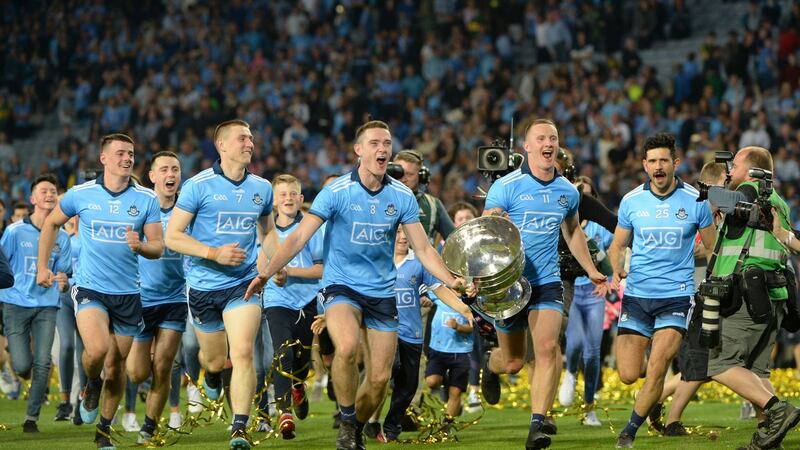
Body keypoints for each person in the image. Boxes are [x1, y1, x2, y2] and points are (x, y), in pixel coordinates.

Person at [244, 120, 475, 450]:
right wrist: (266, 272)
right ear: (358, 151)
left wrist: (452, 279)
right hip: (341, 287)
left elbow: (423, 248)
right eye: (375, 143)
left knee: (380, 379)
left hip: (382, 292)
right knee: (348, 347)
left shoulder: (401, 196)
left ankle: (352, 427)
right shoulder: (337, 191)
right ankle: (348, 417)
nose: (382, 149)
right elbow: (297, 237)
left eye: (387, 143)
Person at [480, 118, 606, 450]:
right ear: (527, 147)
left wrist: (590, 268)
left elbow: (573, 231)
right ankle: (490, 366)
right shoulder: (506, 187)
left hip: (547, 281)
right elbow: (487, 231)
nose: (548, 143)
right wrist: (496, 221)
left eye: (553, 137)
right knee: (514, 363)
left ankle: (537, 424)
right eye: (541, 138)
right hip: (508, 283)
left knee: (549, 348)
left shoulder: (567, 190)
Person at [37, 133, 164, 450]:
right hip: (90, 287)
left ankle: (104, 430)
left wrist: (142, 246)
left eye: (131, 153)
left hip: (128, 294)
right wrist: (43, 267)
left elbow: (159, 247)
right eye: (120, 152)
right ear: (104, 158)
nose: (127, 158)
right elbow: (51, 225)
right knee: (96, 352)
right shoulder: (81, 194)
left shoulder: (146, 199)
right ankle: (90, 384)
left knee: (117, 365)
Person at [165, 119, 277, 450]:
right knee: (214, 361)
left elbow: (268, 231)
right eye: (242, 138)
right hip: (203, 286)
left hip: (243, 283)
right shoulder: (198, 186)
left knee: (243, 352)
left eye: (252, 138)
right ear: (222, 145)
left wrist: (268, 259)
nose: (250, 143)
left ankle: (240, 426)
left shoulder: (262, 188)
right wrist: (213, 252)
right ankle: (212, 376)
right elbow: (173, 236)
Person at [607, 132, 717, 449]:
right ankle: (652, 398)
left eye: (664, 160)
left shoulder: (696, 201)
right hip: (638, 296)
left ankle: (629, 431)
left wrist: (714, 285)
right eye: (652, 161)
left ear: (675, 163)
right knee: (628, 374)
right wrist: (614, 267)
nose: (658, 166)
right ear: (644, 165)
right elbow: (617, 246)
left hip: (677, 296)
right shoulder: (631, 201)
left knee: (657, 367)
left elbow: (712, 250)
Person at [702, 146, 800, 450]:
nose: (730, 170)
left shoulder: (748, 189)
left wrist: (710, 192)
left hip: (747, 295)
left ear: (751, 168)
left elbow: (732, 199)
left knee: (719, 364)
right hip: (773, 297)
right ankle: (770, 441)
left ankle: (777, 410)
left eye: (735, 164)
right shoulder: (778, 200)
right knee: (756, 372)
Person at [648, 161, 728, 435]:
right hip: (691, 299)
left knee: (706, 365)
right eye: (725, 185)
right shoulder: (693, 209)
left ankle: (659, 403)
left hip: (709, 297)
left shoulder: (717, 215)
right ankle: (667, 414)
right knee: (702, 364)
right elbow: (686, 248)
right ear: (715, 185)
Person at [1, 174, 71, 433]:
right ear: (33, 199)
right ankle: (20, 368)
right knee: (22, 365)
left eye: (53, 191)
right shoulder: (15, 231)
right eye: (44, 191)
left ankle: (31, 418)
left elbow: (64, 271)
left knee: (42, 361)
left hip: (47, 304)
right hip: (15, 303)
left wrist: (63, 280)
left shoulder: (61, 237)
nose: (50, 195)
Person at [125, 151, 187, 443]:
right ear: (152, 176)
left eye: (175, 169)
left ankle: (149, 425)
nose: (170, 174)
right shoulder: (138, 208)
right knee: (137, 372)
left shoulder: (188, 211)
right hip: (141, 298)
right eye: (163, 169)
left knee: (163, 365)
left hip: (175, 299)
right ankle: (136, 391)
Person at [262, 174, 324, 440]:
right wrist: (270, 273)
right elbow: (259, 263)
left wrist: (290, 270)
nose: (288, 198)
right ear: (275, 201)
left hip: (307, 301)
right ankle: (284, 413)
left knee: (301, 361)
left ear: (301, 199)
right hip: (277, 301)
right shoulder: (267, 232)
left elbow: (322, 268)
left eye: (292, 194)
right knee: (283, 352)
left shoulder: (312, 230)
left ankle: (299, 384)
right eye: (282, 194)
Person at [558, 177, 613, 426]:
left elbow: (614, 250)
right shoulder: (563, 223)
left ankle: (589, 408)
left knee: (593, 353)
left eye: (588, 195)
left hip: (594, 294)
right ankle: (569, 372)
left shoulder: (599, 228)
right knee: (576, 343)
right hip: (571, 290)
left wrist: (610, 279)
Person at [424, 288, 474, 435]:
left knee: (455, 392)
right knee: (432, 382)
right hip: (438, 349)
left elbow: (473, 328)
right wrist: (423, 298)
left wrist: (458, 327)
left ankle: (446, 426)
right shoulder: (441, 295)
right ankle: (446, 382)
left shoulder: (469, 303)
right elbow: (425, 290)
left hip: (461, 352)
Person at [54, 214, 86, 423]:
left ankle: (84, 400)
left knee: (86, 351)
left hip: (85, 296)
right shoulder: (60, 238)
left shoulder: (90, 236)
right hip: (65, 296)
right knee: (66, 346)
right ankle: (65, 401)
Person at [392, 150, 455, 242]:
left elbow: (453, 241)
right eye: (399, 173)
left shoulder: (433, 205)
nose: (404, 179)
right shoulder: (379, 200)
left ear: (421, 176)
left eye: (409, 174)